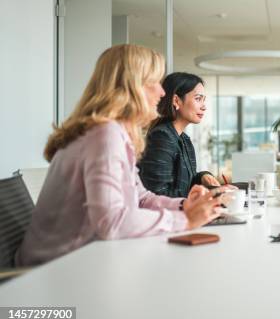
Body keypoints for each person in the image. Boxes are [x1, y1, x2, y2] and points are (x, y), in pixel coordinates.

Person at [16, 45, 228, 266]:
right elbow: (111, 221)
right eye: (153, 83)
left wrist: (185, 206)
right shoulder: (105, 135)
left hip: (84, 259)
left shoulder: (113, 132)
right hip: (55, 269)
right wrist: (184, 220)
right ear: (131, 87)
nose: (162, 92)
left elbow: (141, 197)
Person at [138, 72, 230, 198]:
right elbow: (157, 194)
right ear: (176, 100)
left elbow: (185, 183)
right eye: (198, 99)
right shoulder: (162, 137)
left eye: (204, 100)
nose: (204, 107)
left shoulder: (184, 139)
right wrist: (202, 197)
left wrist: (203, 176)